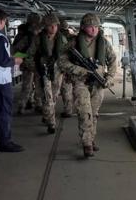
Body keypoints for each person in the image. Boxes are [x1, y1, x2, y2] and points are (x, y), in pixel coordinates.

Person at [58, 13, 116, 157]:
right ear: (83, 27)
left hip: (98, 82)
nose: (94, 30)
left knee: (94, 113)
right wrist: (81, 70)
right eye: (90, 27)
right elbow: (62, 62)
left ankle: (91, 138)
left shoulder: (104, 43)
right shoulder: (73, 43)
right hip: (80, 81)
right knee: (84, 113)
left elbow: (113, 60)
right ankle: (86, 143)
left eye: (96, 27)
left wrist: (109, 77)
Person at [0, 9, 24, 152]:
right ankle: (5, 142)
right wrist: (15, 60)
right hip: (0, 81)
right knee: (4, 112)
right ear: (2, 21)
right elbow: (3, 61)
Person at [25, 14, 65, 134]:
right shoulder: (38, 39)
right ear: (45, 26)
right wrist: (36, 68)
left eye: (55, 25)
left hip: (58, 72)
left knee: (54, 96)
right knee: (47, 98)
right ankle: (51, 123)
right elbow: (29, 55)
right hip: (43, 72)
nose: (53, 28)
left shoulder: (62, 39)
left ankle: (47, 114)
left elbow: (67, 55)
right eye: (50, 25)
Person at [12, 13, 42, 114]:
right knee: (29, 86)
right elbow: (15, 50)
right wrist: (25, 57)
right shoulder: (25, 35)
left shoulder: (28, 34)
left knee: (34, 86)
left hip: (36, 64)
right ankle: (25, 105)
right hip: (30, 65)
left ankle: (32, 104)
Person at [58, 19, 75, 117]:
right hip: (70, 67)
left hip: (59, 66)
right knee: (67, 89)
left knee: (54, 90)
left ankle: (48, 114)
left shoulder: (57, 37)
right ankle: (68, 110)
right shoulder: (72, 37)